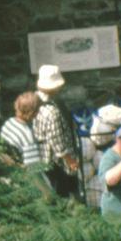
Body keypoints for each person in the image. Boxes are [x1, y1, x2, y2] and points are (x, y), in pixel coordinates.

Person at [30, 64, 82, 201]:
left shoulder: (34, 100)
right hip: (56, 161)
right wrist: (70, 160)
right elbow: (57, 141)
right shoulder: (52, 112)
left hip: (41, 155)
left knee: (51, 188)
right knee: (62, 192)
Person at [0, 91, 42, 173]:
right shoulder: (27, 136)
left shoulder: (8, 123)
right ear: (33, 113)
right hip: (18, 172)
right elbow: (33, 168)